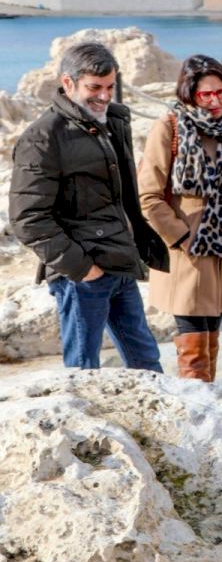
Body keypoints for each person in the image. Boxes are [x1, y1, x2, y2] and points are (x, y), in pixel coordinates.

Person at [9, 41, 164, 373]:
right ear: (68, 83)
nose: (105, 96)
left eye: (110, 86)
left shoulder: (113, 121)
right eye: (95, 87)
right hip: (82, 276)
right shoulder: (43, 138)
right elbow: (28, 219)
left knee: (147, 362)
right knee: (83, 370)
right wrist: (83, 269)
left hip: (120, 261)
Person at [139, 55, 222, 382]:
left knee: (213, 339)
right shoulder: (169, 126)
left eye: (221, 91)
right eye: (206, 94)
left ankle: (211, 412)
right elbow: (148, 195)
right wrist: (181, 237)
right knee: (192, 348)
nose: (216, 100)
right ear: (189, 94)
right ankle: (198, 421)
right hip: (187, 256)